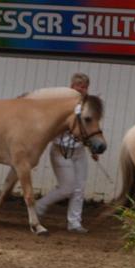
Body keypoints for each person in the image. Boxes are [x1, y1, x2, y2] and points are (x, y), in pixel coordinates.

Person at [33, 72, 92, 233]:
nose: (82, 89)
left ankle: (74, 222)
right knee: (67, 188)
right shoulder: (59, 105)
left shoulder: (87, 106)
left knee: (79, 188)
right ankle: (39, 206)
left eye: (85, 87)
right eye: (79, 86)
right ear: (71, 87)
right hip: (61, 149)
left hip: (79, 150)